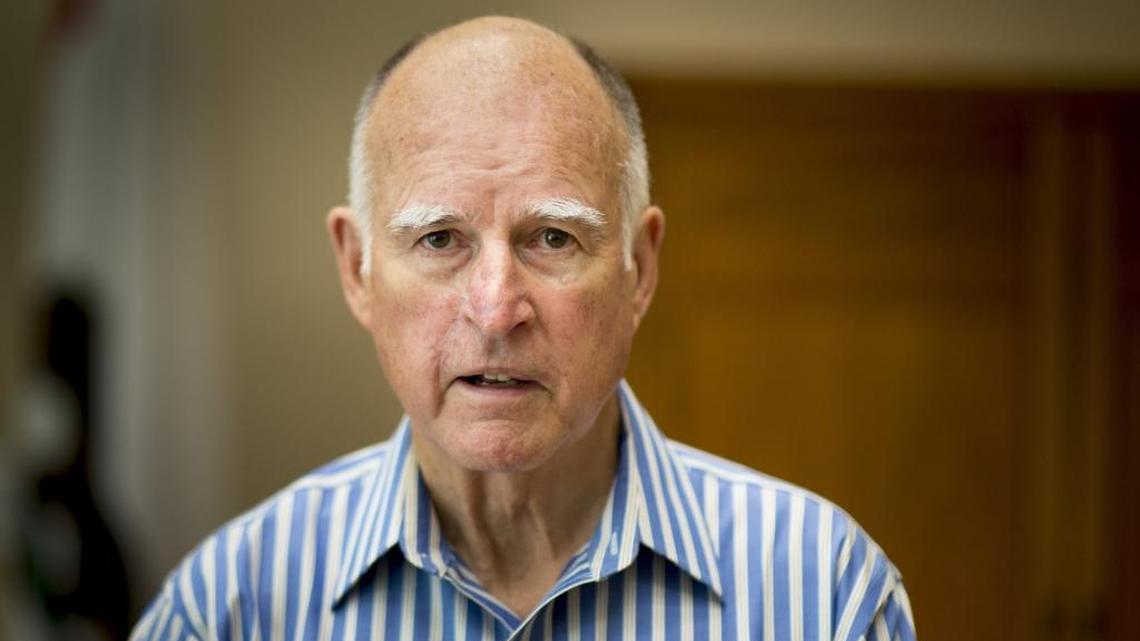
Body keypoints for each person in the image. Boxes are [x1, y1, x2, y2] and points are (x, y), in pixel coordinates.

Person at [130, 16, 916, 641]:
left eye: (553, 238)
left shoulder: (826, 595)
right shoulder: (229, 606)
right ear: (357, 266)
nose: (497, 307)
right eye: (440, 239)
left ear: (639, 266)